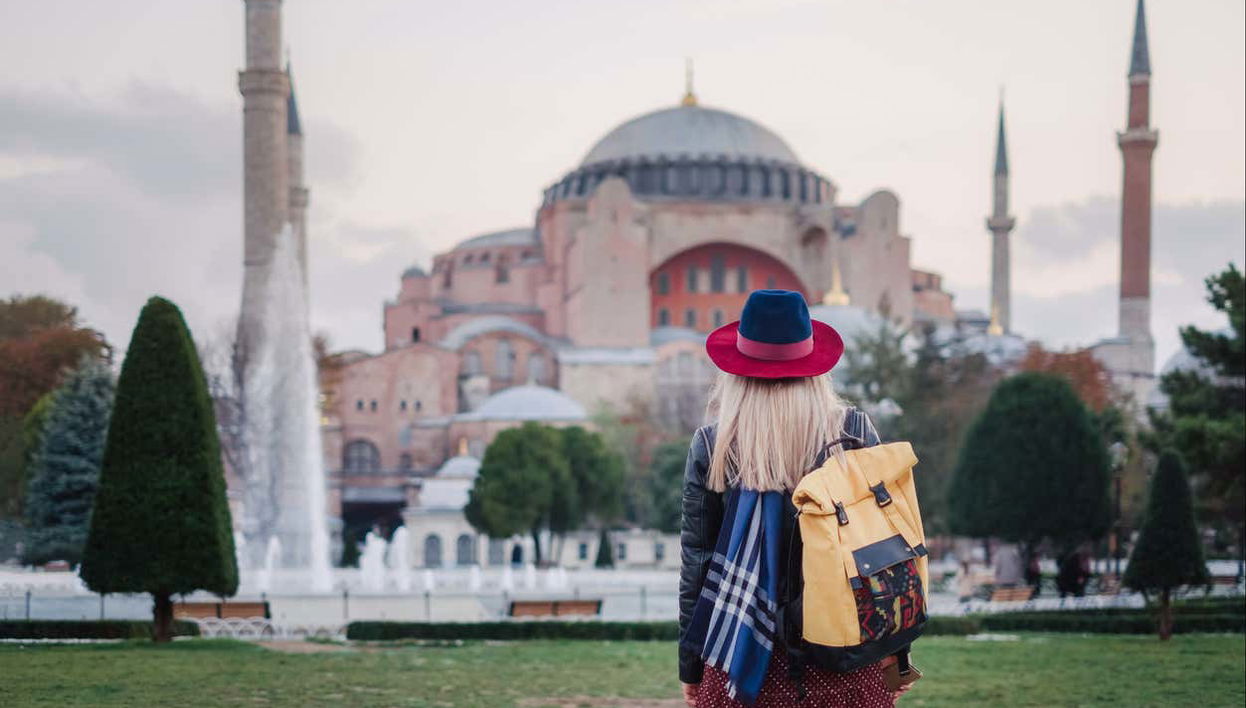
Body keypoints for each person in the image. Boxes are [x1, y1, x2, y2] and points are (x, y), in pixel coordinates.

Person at [678, 289, 908, 708]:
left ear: (736, 370)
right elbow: (887, 554)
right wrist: (898, 658)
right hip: (846, 652)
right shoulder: (853, 432)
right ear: (815, 367)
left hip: (737, 653)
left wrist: (691, 667)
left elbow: (698, 562)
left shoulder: (715, 445)